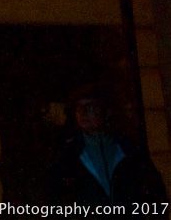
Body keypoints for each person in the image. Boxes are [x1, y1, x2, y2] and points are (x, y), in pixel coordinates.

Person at [45, 82, 168, 217]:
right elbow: (54, 203)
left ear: (106, 111)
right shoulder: (67, 156)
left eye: (90, 107)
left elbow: (155, 195)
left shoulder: (130, 151)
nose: (83, 112)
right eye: (78, 107)